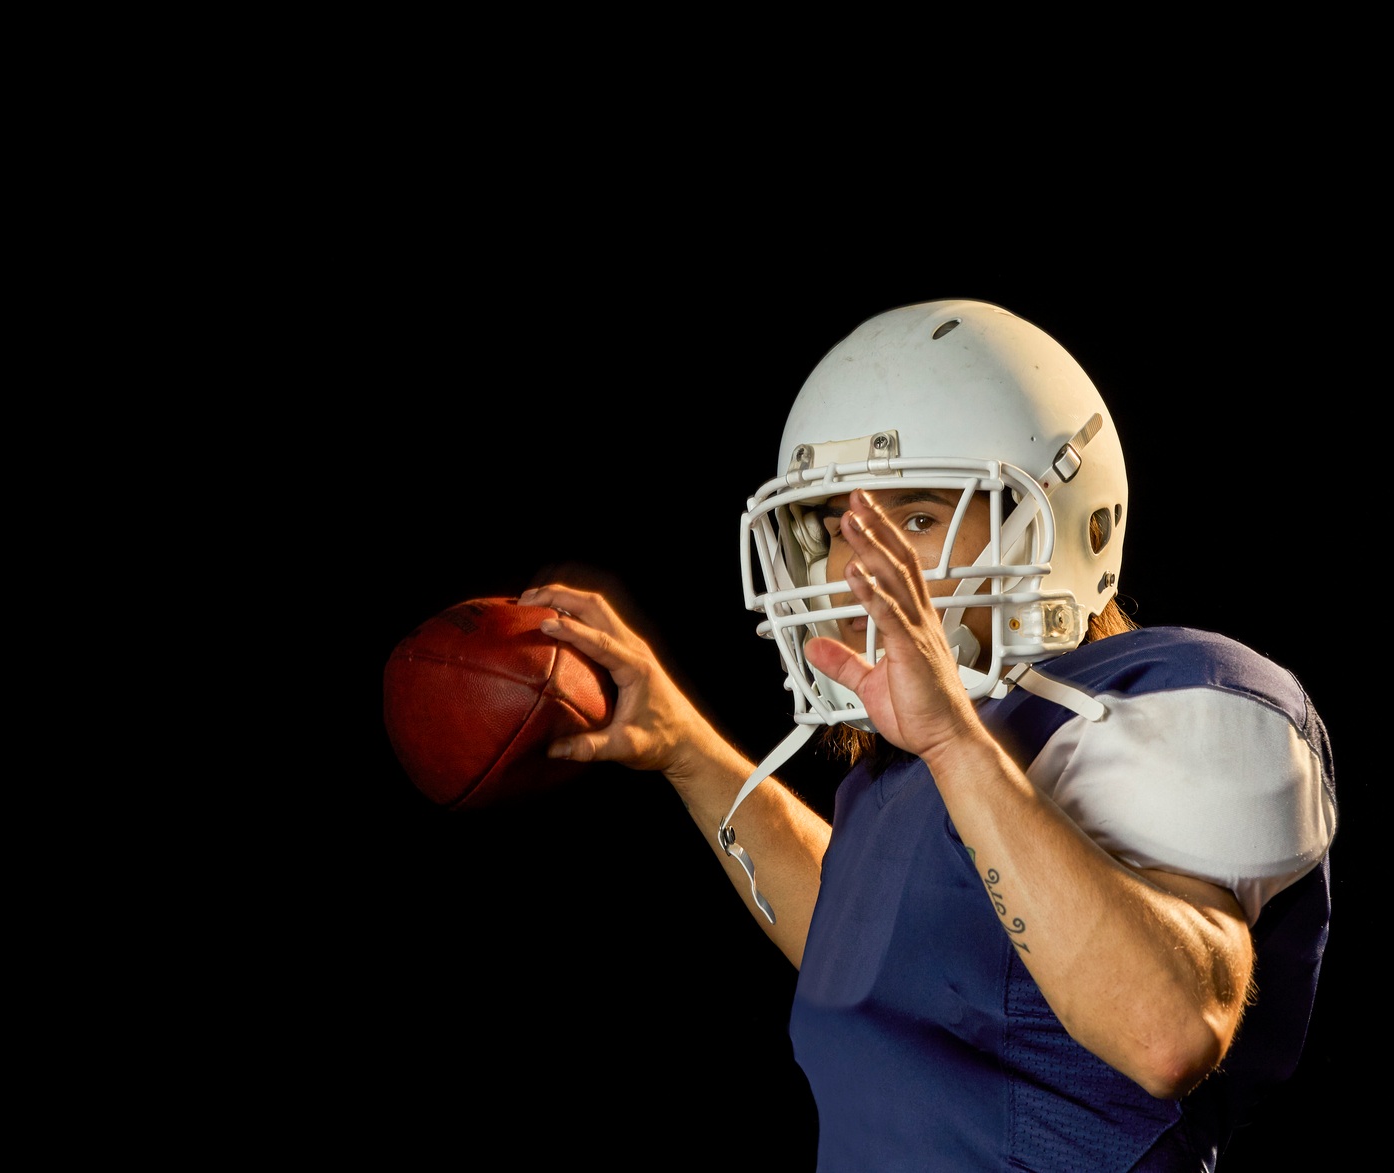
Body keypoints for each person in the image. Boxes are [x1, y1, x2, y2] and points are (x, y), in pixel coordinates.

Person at [519, 299, 1338, 1170]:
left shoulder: (1174, 691)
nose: (859, 567)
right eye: (837, 528)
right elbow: (875, 948)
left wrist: (954, 740)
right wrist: (683, 744)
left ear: (1074, 523)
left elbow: (1168, 1031)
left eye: (913, 518)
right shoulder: (905, 774)